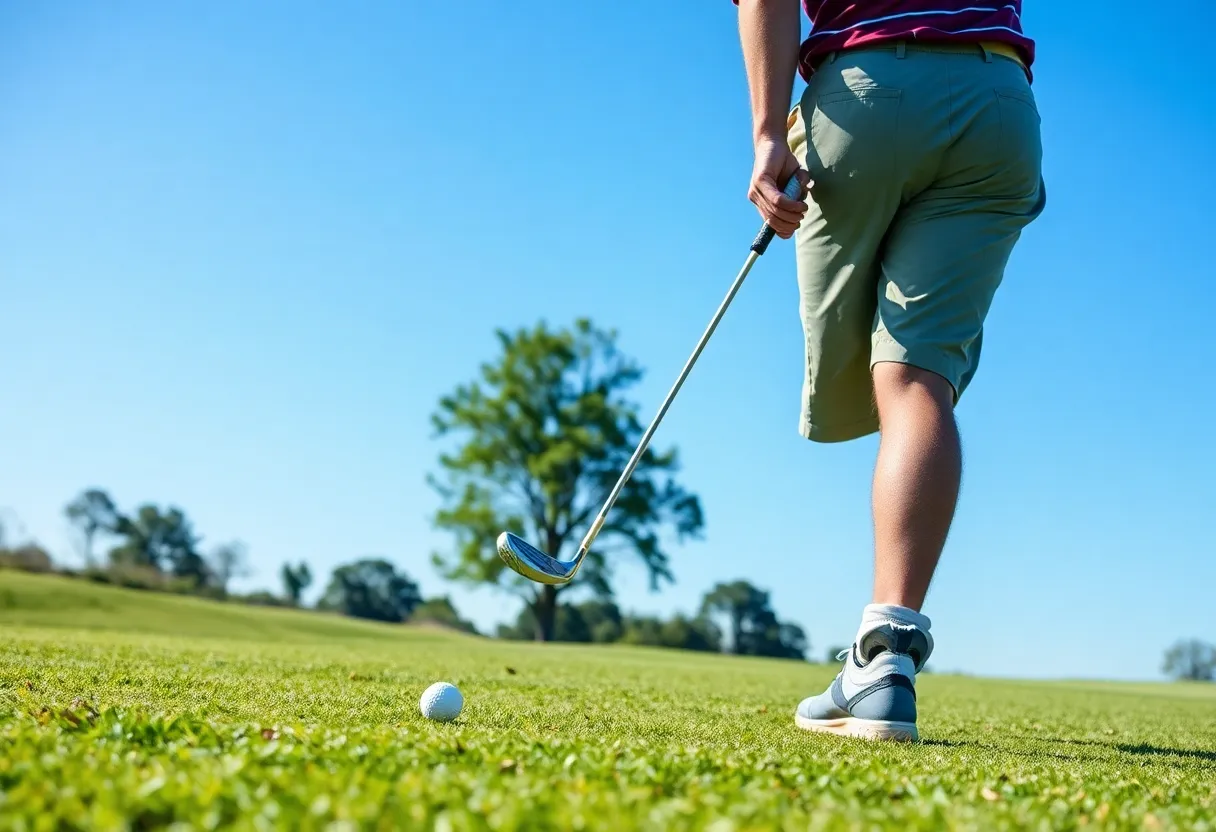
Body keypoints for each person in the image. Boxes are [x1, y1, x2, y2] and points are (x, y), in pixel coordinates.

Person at [733, 0, 1046, 741]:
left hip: (868, 90)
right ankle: (888, 651)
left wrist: (769, 135)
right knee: (916, 381)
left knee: (882, 387)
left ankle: (875, 660)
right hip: (1000, 102)